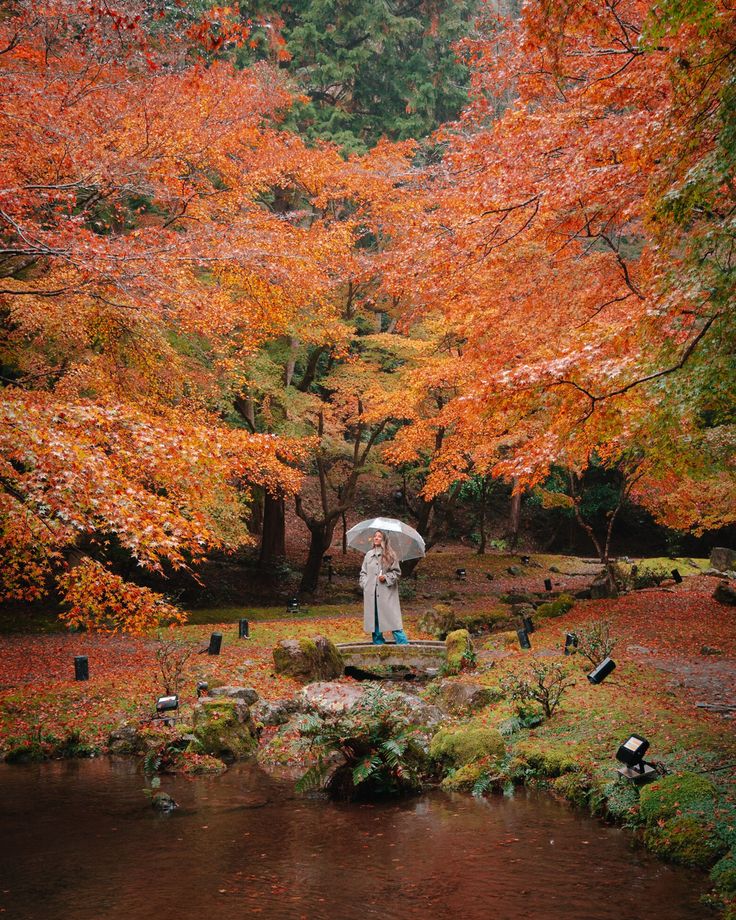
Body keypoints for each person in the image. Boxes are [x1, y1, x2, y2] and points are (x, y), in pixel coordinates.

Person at [359, 530, 409, 645]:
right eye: (375, 536)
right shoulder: (368, 555)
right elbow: (363, 573)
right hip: (371, 594)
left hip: (386, 594)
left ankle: (405, 647)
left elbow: (397, 573)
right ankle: (378, 647)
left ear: (384, 539)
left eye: (379, 536)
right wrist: (365, 584)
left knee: (393, 620)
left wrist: (385, 577)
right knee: (374, 620)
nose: (376, 538)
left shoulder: (391, 555)